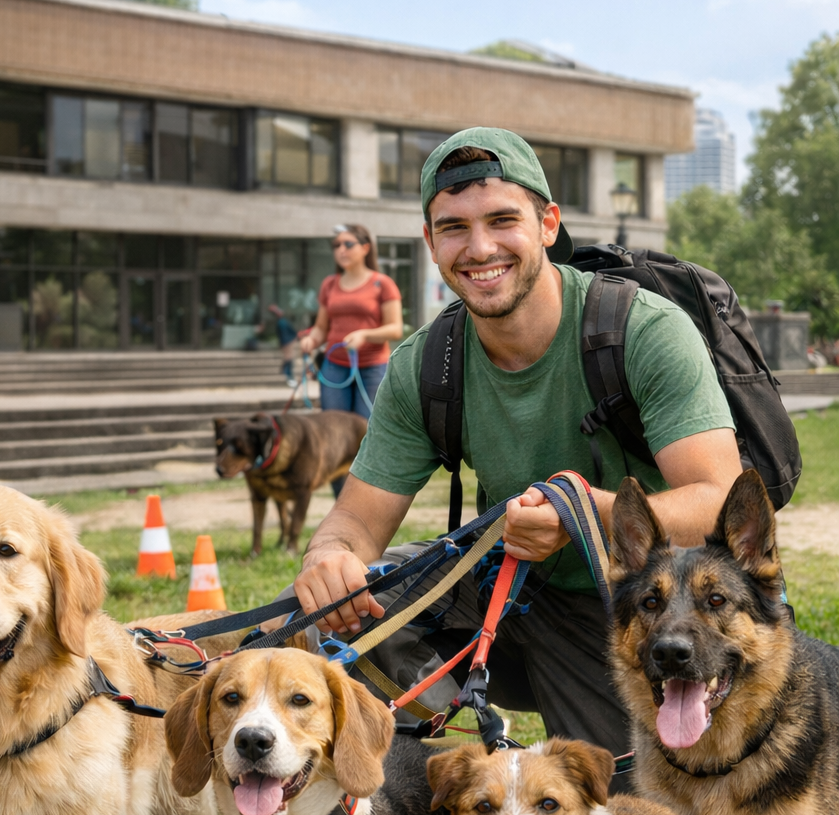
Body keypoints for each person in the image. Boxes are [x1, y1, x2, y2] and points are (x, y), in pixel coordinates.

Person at [283, 128, 742, 762]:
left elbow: (717, 501)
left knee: (621, 807)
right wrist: (329, 556)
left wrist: (581, 515)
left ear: (548, 224)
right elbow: (357, 520)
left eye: (503, 220)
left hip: (636, 609)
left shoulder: (643, 330)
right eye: (454, 228)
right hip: (504, 585)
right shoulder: (427, 363)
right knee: (311, 619)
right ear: (430, 242)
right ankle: (453, 767)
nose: (480, 248)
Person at [299, 224, 404, 494]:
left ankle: (368, 497)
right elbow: (321, 328)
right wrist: (311, 340)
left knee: (367, 433)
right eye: (336, 245)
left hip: (372, 369)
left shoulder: (382, 284)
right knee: (333, 434)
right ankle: (341, 500)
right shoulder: (329, 284)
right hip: (334, 368)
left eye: (348, 244)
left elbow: (395, 329)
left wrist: (365, 335)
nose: (341, 250)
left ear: (365, 248)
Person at [266, 304, 299, 386]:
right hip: (287, 342)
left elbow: (291, 332)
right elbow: (291, 332)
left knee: (288, 358)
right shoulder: (282, 322)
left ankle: (287, 374)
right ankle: (289, 375)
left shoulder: (282, 322)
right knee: (288, 359)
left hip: (287, 342)